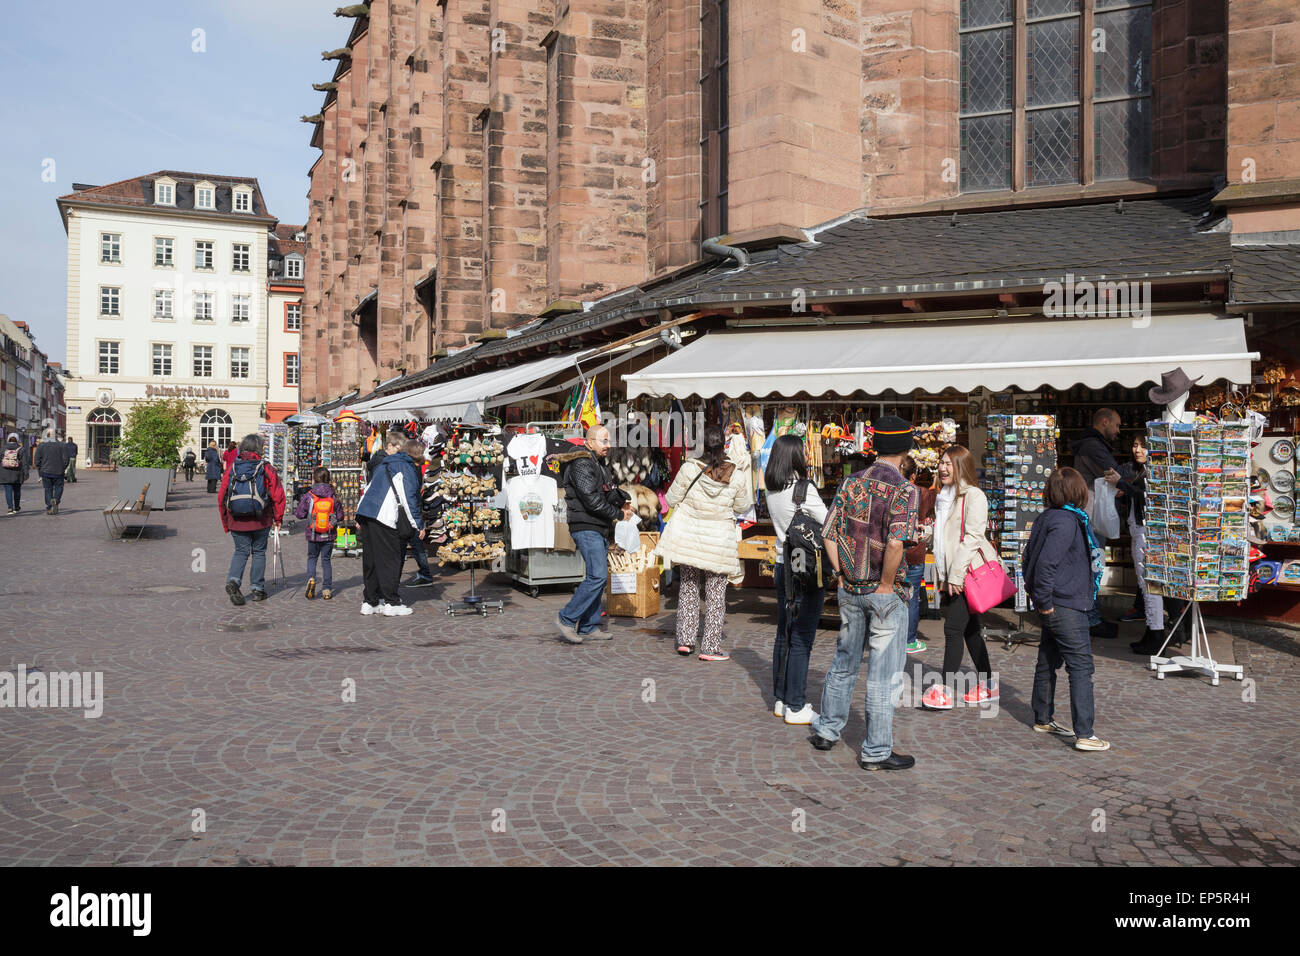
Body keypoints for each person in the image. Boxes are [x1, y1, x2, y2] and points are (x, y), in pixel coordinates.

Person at [809, 414, 919, 772]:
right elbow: (896, 542)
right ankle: (875, 751)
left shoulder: (852, 482)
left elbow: (828, 532)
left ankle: (826, 730)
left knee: (844, 663)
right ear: (905, 448)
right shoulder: (904, 489)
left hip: (851, 587)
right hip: (883, 591)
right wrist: (887, 584)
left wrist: (840, 572)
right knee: (883, 675)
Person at [1023, 466, 1110, 752]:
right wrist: (1044, 602)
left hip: (1057, 602)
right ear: (1078, 492)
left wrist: (1038, 598)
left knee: (1048, 660)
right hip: (1065, 604)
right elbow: (1045, 564)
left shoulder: (1048, 518)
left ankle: (1043, 718)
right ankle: (1084, 732)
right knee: (1081, 666)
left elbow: (1029, 559)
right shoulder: (1067, 522)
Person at [657, 425, 754, 662]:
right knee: (716, 593)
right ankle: (710, 647)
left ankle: (685, 641)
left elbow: (670, 500)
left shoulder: (690, 468)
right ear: (724, 445)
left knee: (689, 586)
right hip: (719, 540)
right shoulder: (737, 473)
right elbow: (742, 506)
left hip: (689, 537)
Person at [920, 445, 998, 709]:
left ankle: (942, 690)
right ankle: (989, 685)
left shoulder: (973, 496)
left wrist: (955, 575)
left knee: (953, 628)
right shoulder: (945, 497)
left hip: (965, 573)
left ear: (961, 466)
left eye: (949, 464)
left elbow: (973, 538)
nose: (942, 468)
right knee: (971, 631)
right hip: (951, 573)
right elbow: (947, 536)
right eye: (941, 463)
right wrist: (926, 535)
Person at [765, 434, 827, 722]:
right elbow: (827, 522)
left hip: (782, 565)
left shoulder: (772, 489)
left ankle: (781, 698)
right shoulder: (802, 489)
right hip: (804, 568)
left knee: (784, 634)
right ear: (795, 457)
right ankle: (796, 704)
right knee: (802, 638)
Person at [553, 425, 632, 644]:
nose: (608, 445)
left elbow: (603, 492)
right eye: (603, 441)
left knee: (597, 577)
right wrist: (618, 514)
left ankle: (588, 626)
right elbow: (591, 500)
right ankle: (566, 619)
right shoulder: (582, 463)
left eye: (609, 441)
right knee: (596, 576)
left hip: (596, 526)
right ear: (589, 442)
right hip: (586, 526)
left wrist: (620, 499)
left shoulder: (598, 463)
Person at [354, 429, 425, 616]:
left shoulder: (384, 464)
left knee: (371, 561)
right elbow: (408, 498)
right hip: (384, 517)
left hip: (368, 513)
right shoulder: (405, 467)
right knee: (390, 560)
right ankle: (391, 603)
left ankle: (370, 601)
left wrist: (359, 516)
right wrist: (419, 524)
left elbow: (368, 489)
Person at [1068, 407, 1123, 639]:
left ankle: (1092, 615)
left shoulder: (1089, 444)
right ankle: (1090, 619)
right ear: (1104, 422)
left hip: (1090, 513)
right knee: (1094, 565)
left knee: (1093, 564)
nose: (1119, 431)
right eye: (1117, 425)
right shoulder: (1092, 446)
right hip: (1091, 515)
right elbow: (1113, 473)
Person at [218, 434, 287, 605]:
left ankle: (234, 581)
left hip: (236, 519)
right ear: (259, 449)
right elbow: (278, 496)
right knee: (259, 553)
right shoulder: (266, 468)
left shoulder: (232, 468)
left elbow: (221, 497)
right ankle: (257, 589)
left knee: (240, 552)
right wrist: (278, 519)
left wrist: (226, 522)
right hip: (260, 519)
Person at [1119, 434, 1169, 655]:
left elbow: (1147, 497)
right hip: (1138, 530)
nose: (1137, 450)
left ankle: (1156, 633)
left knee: (1150, 585)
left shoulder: (1154, 473)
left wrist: (1122, 485)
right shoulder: (1141, 471)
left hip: (1146, 533)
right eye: (1135, 445)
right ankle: (1153, 630)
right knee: (1145, 584)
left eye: (1142, 446)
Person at [900, 456, 937, 655]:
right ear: (914, 475)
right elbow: (937, 498)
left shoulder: (893, 491)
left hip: (894, 550)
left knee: (891, 594)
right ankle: (909, 640)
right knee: (911, 597)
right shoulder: (921, 493)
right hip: (915, 551)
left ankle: (891, 637)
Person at [295, 466, 343, 600]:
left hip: (313, 532)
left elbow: (299, 514)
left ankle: (311, 578)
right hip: (329, 533)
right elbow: (340, 516)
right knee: (326, 560)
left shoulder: (309, 495)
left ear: (314, 479)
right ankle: (327, 589)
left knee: (312, 558)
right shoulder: (333, 496)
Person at [401, 439, 435, 587]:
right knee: (415, 544)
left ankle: (424, 574)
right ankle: (424, 573)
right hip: (413, 509)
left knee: (412, 544)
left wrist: (418, 521)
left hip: (411, 510)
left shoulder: (411, 468)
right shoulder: (415, 466)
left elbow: (411, 494)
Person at [34, 432, 69, 515]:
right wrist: (62, 467)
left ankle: (50, 506)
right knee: (59, 487)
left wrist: (40, 468)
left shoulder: (41, 445)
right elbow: (66, 460)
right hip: (58, 471)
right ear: (56, 436)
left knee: (48, 489)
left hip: (45, 471)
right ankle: (56, 499)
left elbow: (36, 460)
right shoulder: (62, 445)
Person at [1, 432, 30, 514]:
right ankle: (17, 507)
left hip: (5, 473)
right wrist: (26, 473)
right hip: (17, 473)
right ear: (17, 440)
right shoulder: (21, 449)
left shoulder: (3, 448)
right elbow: (25, 463)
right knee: (17, 491)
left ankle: (10, 507)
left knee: (8, 491)